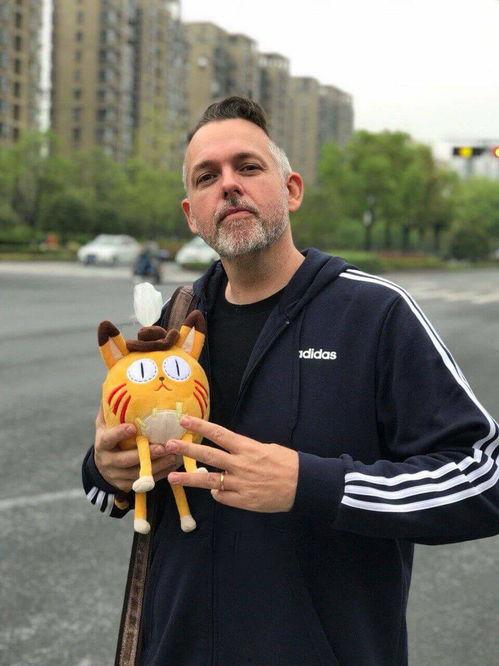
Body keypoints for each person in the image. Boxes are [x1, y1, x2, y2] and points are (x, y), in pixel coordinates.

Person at [82, 97, 499, 666]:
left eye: (248, 167)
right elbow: (113, 488)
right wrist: (104, 471)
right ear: (191, 215)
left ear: (292, 189)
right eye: (207, 177)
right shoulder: (174, 325)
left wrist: (313, 484)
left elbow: (484, 477)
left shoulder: (375, 314)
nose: (229, 185)